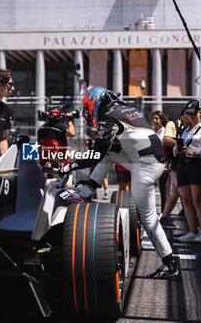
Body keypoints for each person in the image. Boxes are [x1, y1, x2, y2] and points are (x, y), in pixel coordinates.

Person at [60, 86, 179, 279]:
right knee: (108, 154)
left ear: (94, 103)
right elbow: (106, 151)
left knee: (148, 218)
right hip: (147, 160)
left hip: (144, 166)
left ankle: (169, 263)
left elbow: (95, 154)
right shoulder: (126, 110)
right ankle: (88, 188)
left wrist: (70, 166)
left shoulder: (109, 116)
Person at [175, 100, 201, 243]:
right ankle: (192, 231)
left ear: (199, 112)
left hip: (197, 165)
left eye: (192, 113)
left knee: (197, 200)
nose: (189, 116)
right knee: (186, 200)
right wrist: (176, 150)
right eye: (187, 113)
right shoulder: (184, 129)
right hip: (183, 165)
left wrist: (192, 152)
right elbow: (176, 147)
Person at [159, 108, 189, 229]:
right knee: (185, 195)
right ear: (184, 114)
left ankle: (164, 218)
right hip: (175, 164)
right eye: (190, 114)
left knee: (175, 193)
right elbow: (166, 140)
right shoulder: (173, 124)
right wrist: (180, 143)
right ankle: (193, 219)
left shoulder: (187, 126)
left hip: (179, 164)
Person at [38, 106, 76, 182]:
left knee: (47, 189)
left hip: (44, 163)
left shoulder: (41, 129)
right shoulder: (59, 127)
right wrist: (69, 121)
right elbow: (72, 133)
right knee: (65, 187)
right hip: (60, 163)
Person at [84, 127, 109, 199]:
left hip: (99, 160)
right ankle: (94, 193)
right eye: (91, 133)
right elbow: (86, 143)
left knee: (103, 177)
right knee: (92, 177)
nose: (92, 134)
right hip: (93, 161)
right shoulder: (90, 141)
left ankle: (106, 192)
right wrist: (84, 136)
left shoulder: (100, 140)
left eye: (94, 133)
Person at [151, 110, 169, 213]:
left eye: (157, 118)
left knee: (163, 189)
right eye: (153, 118)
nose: (155, 121)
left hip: (163, 163)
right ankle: (151, 212)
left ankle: (164, 213)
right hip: (151, 164)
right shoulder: (150, 131)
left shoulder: (165, 131)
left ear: (162, 120)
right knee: (150, 189)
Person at [0, 69, 15, 158]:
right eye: (10, 85)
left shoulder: (5, 109)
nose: (13, 88)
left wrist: (5, 161)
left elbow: (3, 139)